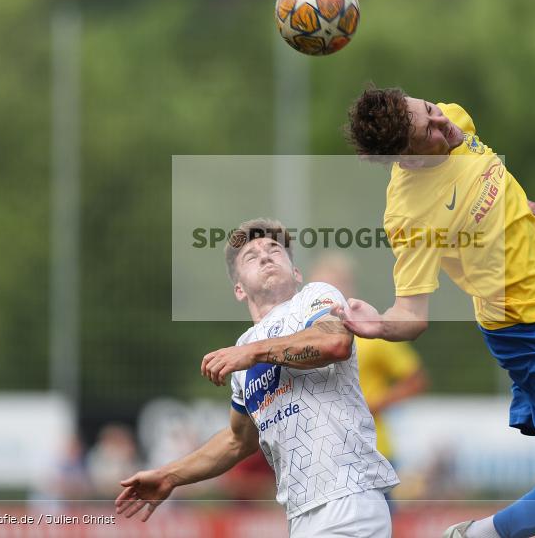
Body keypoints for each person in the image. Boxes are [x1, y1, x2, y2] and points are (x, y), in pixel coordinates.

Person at [334, 87, 535, 538]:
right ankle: (482, 533)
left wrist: (516, 207)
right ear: (407, 159)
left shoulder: (450, 117)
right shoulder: (411, 214)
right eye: (428, 132)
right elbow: (412, 314)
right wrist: (379, 324)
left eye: (430, 110)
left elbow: (481, 180)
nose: (442, 124)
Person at [115, 218, 398, 538]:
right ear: (239, 289)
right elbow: (238, 440)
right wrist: (170, 476)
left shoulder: (314, 297)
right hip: (301, 514)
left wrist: (253, 353)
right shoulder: (243, 350)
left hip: (350, 497)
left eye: (275, 250)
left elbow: (334, 343)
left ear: (296, 273)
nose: (265, 256)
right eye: (251, 256)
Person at [310, 253, 429, 472]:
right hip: (320, 454)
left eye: (334, 286)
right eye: (320, 288)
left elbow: (416, 380)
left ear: (349, 287)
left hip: (371, 449)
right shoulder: (302, 337)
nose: (325, 297)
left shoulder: (369, 332)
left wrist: (371, 405)